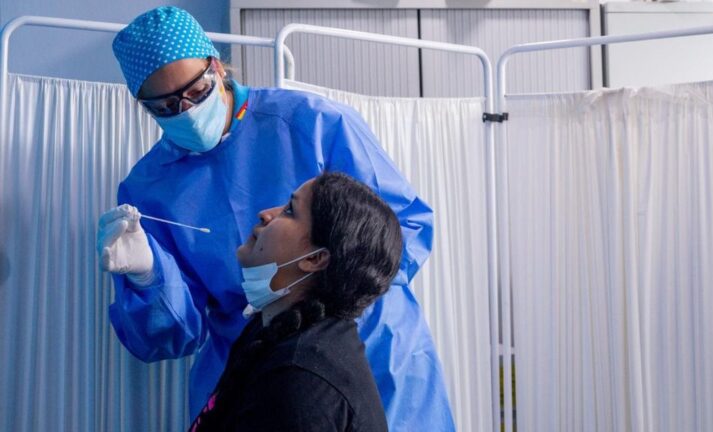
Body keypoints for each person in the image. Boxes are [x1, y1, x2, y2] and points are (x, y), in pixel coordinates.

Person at [97, 6, 455, 431]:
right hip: (256, 360)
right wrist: (147, 278)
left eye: (196, 91)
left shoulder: (313, 123)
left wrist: (328, 301)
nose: (186, 109)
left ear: (216, 65)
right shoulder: (149, 189)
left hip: (367, 336)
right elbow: (174, 331)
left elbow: (398, 230)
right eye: (166, 106)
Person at [190, 172, 397, 431]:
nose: (265, 214)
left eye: (289, 210)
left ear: (314, 259)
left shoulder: (300, 381)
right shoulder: (272, 332)